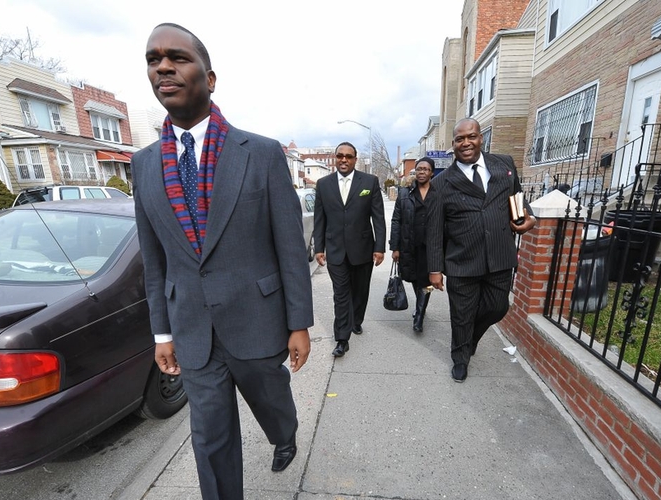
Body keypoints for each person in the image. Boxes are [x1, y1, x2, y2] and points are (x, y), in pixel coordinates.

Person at [132, 23, 313, 499]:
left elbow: (291, 248)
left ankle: (284, 432)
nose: (164, 67)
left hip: (256, 318)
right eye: (154, 60)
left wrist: (299, 323)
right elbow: (155, 258)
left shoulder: (263, 154)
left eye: (178, 58)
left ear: (210, 79)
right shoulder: (144, 164)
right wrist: (162, 333)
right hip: (192, 328)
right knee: (209, 438)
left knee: (271, 400)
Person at [427, 118, 536, 383]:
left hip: (499, 255)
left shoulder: (504, 165)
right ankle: (460, 357)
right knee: (461, 314)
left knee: (498, 308)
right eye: (460, 139)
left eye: (471, 136)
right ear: (453, 144)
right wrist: (434, 269)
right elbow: (434, 230)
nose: (466, 143)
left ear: (481, 138)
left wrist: (527, 217)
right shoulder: (442, 183)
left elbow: (516, 198)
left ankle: (470, 339)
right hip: (462, 260)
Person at [313, 142, 386, 357]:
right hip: (335, 250)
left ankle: (357, 319)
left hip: (363, 249)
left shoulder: (369, 182)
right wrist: (319, 248)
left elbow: (378, 218)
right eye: (340, 156)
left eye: (348, 156)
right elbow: (319, 219)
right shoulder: (323, 184)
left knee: (360, 291)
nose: (343, 160)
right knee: (341, 294)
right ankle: (342, 339)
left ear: (355, 159)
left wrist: (379, 247)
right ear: (335, 158)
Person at [390, 157, 436, 332]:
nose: (422, 172)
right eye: (419, 169)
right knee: (413, 279)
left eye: (425, 169)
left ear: (431, 172)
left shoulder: (438, 193)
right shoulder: (404, 193)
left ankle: (419, 315)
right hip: (409, 245)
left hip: (430, 248)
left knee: (427, 282)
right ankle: (421, 305)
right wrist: (395, 247)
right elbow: (396, 220)